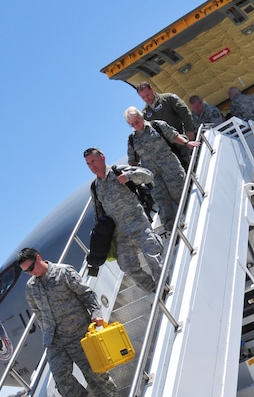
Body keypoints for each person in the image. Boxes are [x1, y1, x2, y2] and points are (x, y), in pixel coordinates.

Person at [17, 248, 124, 397]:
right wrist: (47, 332)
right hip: (54, 339)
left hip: (78, 331)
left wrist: (96, 314)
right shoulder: (31, 287)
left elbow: (86, 294)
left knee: (93, 370)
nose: (31, 272)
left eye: (32, 267)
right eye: (26, 271)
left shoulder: (63, 272)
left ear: (39, 258)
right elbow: (38, 312)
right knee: (61, 377)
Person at [84, 147, 163, 292]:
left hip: (138, 224)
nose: (92, 166)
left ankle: (164, 286)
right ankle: (155, 290)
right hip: (120, 234)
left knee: (152, 254)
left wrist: (129, 176)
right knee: (128, 268)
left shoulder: (118, 170)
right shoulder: (95, 187)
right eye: (88, 164)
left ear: (103, 158)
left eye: (93, 161)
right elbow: (98, 213)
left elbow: (148, 175)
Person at [124, 106, 198, 233]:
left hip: (170, 167)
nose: (136, 126)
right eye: (132, 124)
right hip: (152, 176)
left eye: (137, 122)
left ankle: (195, 219)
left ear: (141, 117)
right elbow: (133, 160)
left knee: (180, 194)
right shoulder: (132, 140)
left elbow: (173, 136)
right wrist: (131, 174)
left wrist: (186, 143)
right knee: (162, 202)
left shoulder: (157, 125)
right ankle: (174, 232)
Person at [136, 81, 195, 169]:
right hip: (170, 152)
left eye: (147, 95)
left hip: (184, 140)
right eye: (143, 97)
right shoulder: (145, 115)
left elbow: (185, 113)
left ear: (152, 89)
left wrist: (190, 131)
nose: (146, 99)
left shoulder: (168, 99)